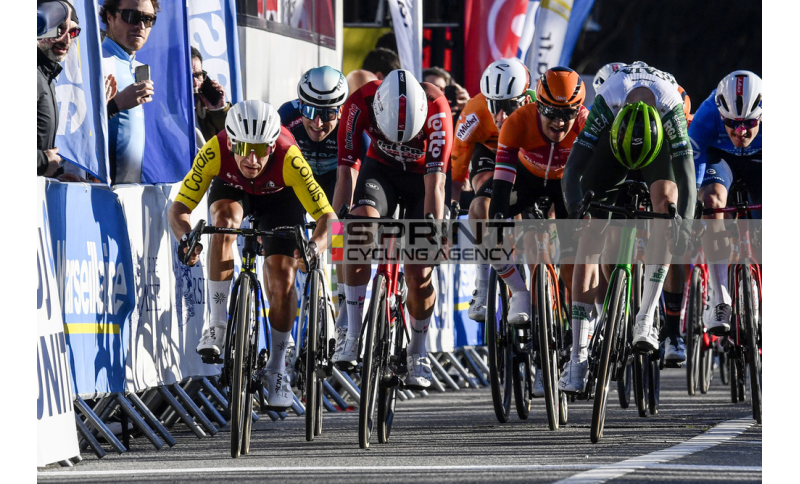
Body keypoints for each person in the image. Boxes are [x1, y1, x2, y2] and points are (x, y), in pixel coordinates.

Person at [169, 100, 336, 408]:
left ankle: (277, 367)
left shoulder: (289, 157)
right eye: (244, 148)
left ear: (273, 145)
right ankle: (217, 323)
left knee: (282, 278)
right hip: (233, 190)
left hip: (280, 199)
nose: (253, 159)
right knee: (223, 223)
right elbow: (179, 208)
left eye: (261, 149)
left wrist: (314, 247)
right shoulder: (214, 150)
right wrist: (185, 239)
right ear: (231, 142)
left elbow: (329, 219)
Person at [559, 63, 696, 393]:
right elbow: (572, 171)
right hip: (612, 149)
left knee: (667, 205)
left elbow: (687, 175)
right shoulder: (608, 100)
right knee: (589, 238)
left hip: (656, 148)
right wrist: (577, 211)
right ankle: (577, 358)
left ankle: (646, 318)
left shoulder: (671, 107)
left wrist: (684, 225)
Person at [331, 69, 454, 389]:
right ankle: (352, 334)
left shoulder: (438, 108)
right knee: (357, 230)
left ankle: (418, 351)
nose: (401, 143)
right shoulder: (359, 101)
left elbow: (436, 185)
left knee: (419, 270)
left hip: (424, 179)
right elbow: (346, 172)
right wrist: (338, 232)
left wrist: (435, 235)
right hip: (380, 171)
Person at [451, 58, 533, 320]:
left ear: (526, 99)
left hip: (525, 158)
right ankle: (482, 286)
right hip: (490, 155)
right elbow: (456, 172)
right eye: (495, 107)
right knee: (483, 204)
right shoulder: (473, 114)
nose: (502, 117)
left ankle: (537, 284)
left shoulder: (537, 110)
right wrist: (451, 211)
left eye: (510, 106)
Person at [278, 65, 349, 356]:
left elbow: (353, 177)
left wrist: (339, 222)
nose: (318, 123)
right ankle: (284, 332)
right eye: (310, 112)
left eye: (329, 114)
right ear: (300, 106)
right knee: (283, 238)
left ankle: (345, 321)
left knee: (345, 233)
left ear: (340, 111)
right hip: (299, 181)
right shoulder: (286, 116)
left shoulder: (349, 125)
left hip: (336, 180)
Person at [690, 70, 762, 335]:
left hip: (758, 160)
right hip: (720, 159)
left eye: (749, 123)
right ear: (721, 114)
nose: (740, 131)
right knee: (711, 201)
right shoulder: (707, 114)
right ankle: (720, 299)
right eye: (731, 123)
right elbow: (692, 171)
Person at [100, 0, 159, 184]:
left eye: (148, 19)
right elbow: (76, 129)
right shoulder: (97, 61)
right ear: (110, 16)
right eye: (131, 16)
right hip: (100, 188)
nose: (141, 26)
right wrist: (116, 104)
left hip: (135, 190)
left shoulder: (138, 67)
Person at [37, 0, 80, 178]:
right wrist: (42, 162)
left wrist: (55, 178)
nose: (67, 39)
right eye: (59, 29)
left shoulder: (46, 76)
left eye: (73, 32)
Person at [191, 46, 232, 148]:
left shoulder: (205, 111)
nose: (195, 83)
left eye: (198, 75)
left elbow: (231, 143)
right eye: (188, 76)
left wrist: (219, 111)